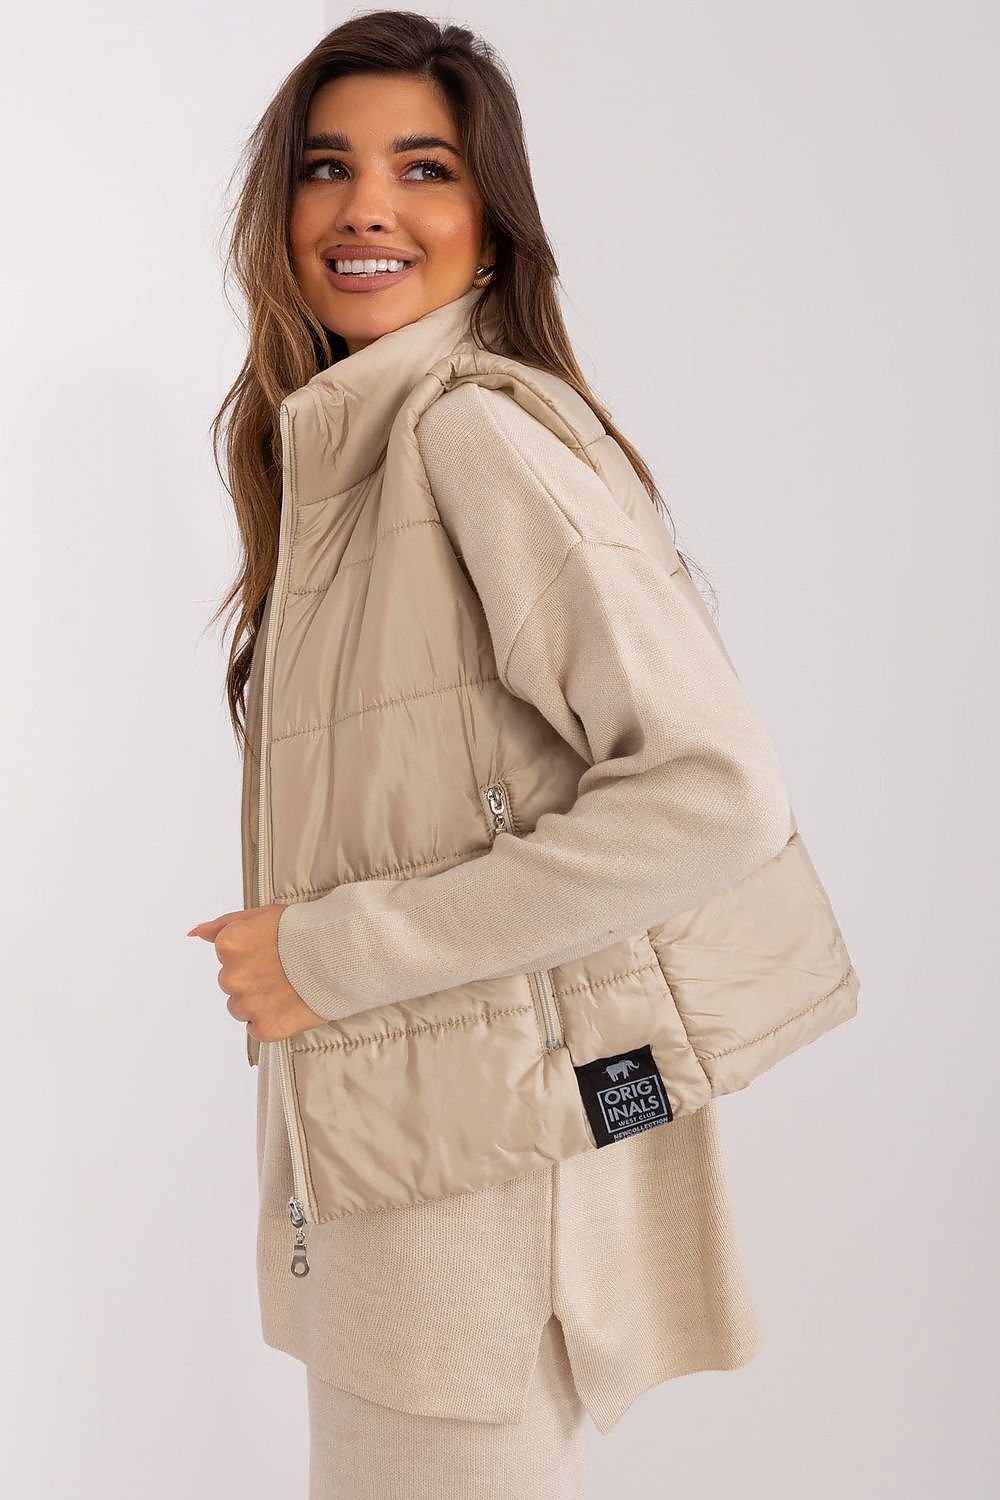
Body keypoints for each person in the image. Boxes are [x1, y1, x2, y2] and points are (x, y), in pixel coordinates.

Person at [187, 12, 858, 1499]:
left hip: (471, 1192)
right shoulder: (348, 453)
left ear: (492, 224)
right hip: (413, 1153)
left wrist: (328, 954)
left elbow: (714, 792)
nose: (366, 207)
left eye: (423, 169)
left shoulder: (466, 442)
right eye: (326, 167)